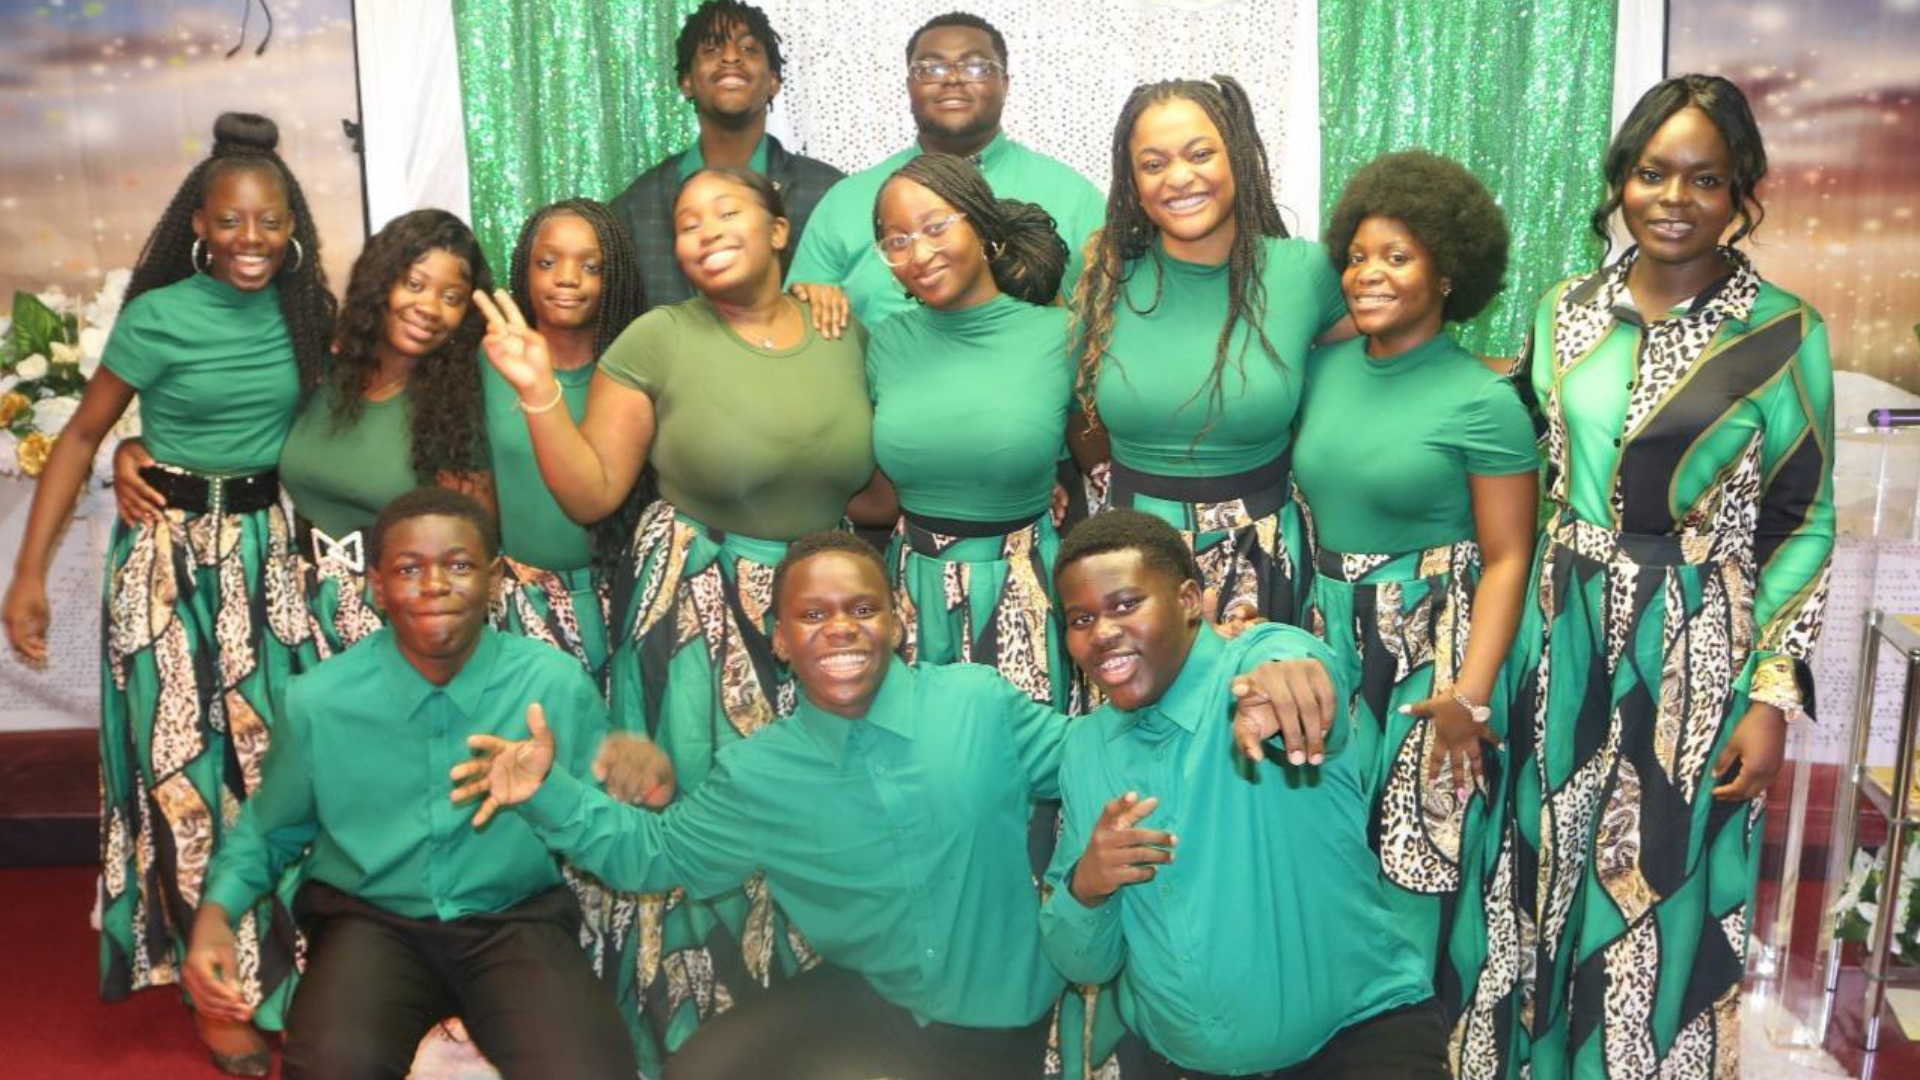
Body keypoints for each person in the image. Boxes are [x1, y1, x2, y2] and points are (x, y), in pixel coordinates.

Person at [449, 530, 1338, 1080]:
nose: (840, 628)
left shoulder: (979, 705)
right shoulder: (758, 772)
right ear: (780, 638)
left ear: (898, 621)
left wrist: (1247, 657)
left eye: (861, 609)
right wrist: (549, 794)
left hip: (998, 1014)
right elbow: (654, 857)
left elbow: (1105, 746)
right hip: (871, 995)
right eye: (813, 616)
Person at [1456, 75, 1835, 1079]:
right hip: (1560, 624)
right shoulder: (1565, 311)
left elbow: (1803, 521)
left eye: (1706, 179)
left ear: (1741, 190)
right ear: (1621, 179)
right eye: (1654, 173)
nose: (1675, 198)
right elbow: (1520, 455)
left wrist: (1772, 697)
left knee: (1658, 880)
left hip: (1694, 644)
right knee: (1543, 867)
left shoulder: (1785, 333)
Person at [476, 164, 885, 1073]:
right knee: (697, 821)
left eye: (726, 211)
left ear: (779, 230)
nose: (703, 229)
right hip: (698, 613)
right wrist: (539, 391)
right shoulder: (657, 338)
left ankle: (810, 1033)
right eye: (688, 222)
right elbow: (592, 493)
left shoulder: (841, 326)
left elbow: (876, 485)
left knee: (821, 820)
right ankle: (688, 1037)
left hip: (822, 616)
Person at [2, 112, 333, 1075]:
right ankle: (210, 985)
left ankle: (288, 968)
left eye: (268, 221)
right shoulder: (157, 318)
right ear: (199, 222)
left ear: (293, 225)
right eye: (230, 221)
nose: (249, 240)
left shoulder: (311, 315)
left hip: (268, 558)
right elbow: (80, 435)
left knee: (274, 769)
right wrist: (29, 575)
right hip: (165, 560)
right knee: (178, 768)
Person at [183, 488, 642, 1080]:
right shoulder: (319, 700)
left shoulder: (553, 683)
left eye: (459, 565)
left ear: (494, 581)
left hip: (513, 918)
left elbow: (609, 824)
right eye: (408, 569)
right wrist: (216, 916)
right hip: (370, 922)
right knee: (333, 1067)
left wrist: (608, 787)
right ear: (377, 587)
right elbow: (269, 830)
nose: (434, 585)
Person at [1040, 510, 1448, 1080]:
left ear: (1188, 600)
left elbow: (1294, 666)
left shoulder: (1255, 667)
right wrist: (1088, 884)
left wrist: (1286, 681)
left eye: (1126, 604)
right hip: (1182, 1064)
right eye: (1080, 618)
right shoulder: (1086, 750)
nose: (1102, 632)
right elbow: (1084, 962)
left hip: (1358, 1044)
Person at [1292, 150, 1537, 1000]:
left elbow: (1509, 558)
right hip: (1326, 636)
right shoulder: (1322, 369)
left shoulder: (1485, 401)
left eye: (1397, 256)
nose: (1369, 273)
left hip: (1430, 652)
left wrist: (1471, 695)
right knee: (1327, 857)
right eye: (1358, 255)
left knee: (1417, 867)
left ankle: (1415, 1042)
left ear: (1448, 274)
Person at [1073, 76, 1353, 630]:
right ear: (1132, 182)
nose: (1179, 177)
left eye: (1200, 154)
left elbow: (1382, 367)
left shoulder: (1305, 273)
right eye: (1153, 164)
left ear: (1238, 158)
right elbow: (1063, 400)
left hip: (1264, 557)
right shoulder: (1104, 278)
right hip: (1130, 560)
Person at [866, 152, 1088, 709]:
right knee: (916, 754)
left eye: (936, 227)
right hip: (911, 589)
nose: (919, 253)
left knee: (1022, 755)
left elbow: (1100, 461)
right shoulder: (885, 342)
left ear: (982, 227)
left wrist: (1042, 481)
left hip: (1023, 587)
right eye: (897, 240)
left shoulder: (1062, 335)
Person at [786, 10, 1104, 328]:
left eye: (976, 66)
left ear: (1005, 85)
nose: (952, 79)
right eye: (931, 68)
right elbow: (799, 324)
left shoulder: (1075, 197)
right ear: (909, 86)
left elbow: (1108, 318)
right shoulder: (844, 202)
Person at [486, 198, 644, 676]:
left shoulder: (635, 373)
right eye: (548, 263)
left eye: (591, 266)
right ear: (525, 270)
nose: (567, 278)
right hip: (519, 600)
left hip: (623, 595)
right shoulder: (488, 364)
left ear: (615, 278)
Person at [609, 0, 844, 311]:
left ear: (774, 81)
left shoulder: (829, 194)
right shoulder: (635, 208)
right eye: (711, 49)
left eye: (748, 49)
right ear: (687, 82)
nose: (731, 57)